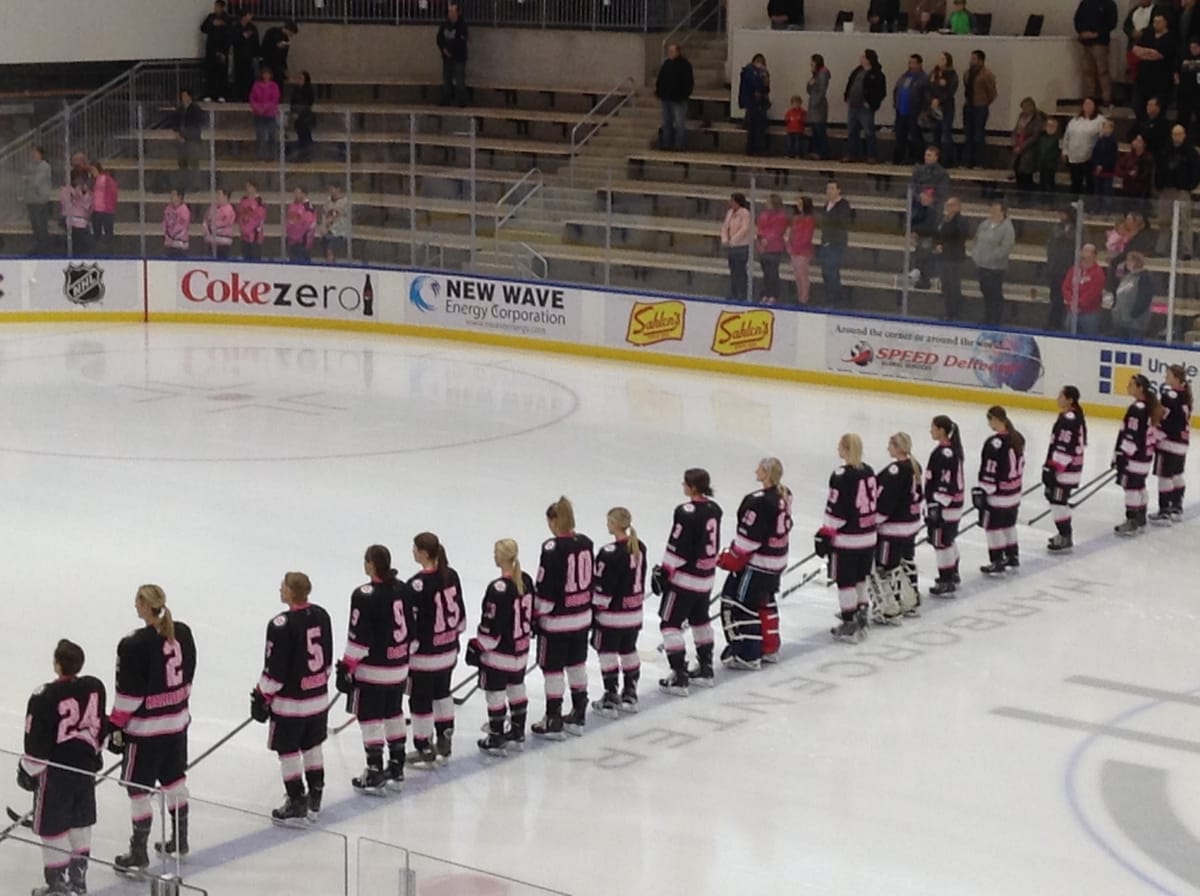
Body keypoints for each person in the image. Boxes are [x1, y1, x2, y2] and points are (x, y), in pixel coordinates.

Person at [107, 585, 197, 873]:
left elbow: (129, 696)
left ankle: (139, 852)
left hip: (146, 733)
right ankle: (180, 840)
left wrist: (114, 726)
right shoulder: (182, 632)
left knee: (138, 791)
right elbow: (188, 677)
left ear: (146, 606)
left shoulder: (133, 644)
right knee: (174, 782)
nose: (135, 606)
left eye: (137, 602)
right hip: (176, 725)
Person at [19, 639, 106, 896]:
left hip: (56, 774)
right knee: (80, 824)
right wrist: (95, 754)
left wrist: (27, 771)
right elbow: (101, 725)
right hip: (84, 769)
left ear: (57, 664)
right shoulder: (94, 687)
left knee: (53, 827)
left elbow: (36, 746)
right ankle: (78, 882)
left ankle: (57, 886)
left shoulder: (44, 696)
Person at [251, 572, 333, 825]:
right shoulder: (321, 614)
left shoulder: (280, 624)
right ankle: (316, 795)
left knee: (288, 752)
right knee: (312, 747)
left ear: (291, 591)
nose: (280, 589)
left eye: (283, 586)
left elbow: (275, 669)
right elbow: (327, 659)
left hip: (290, 706)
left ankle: (296, 799)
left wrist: (262, 695)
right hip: (318, 699)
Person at [336, 545, 412, 794]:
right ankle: (397, 766)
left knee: (370, 719)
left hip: (374, 672)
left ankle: (375, 769)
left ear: (370, 564)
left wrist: (346, 666)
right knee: (394, 714)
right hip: (399, 667)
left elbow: (359, 640)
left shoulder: (364, 595)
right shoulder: (402, 588)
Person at [716, 458, 792, 668]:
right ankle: (770, 648)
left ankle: (748, 654)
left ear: (766, 473)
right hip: (777, 560)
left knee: (740, 603)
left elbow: (749, 540)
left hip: (759, 564)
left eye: (759, 468)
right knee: (765, 602)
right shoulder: (785, 494)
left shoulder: (757, 501)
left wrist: (730, 557)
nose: (755, 470)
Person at [655, 468, 723, 696]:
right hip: (706, 577)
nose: (682, 486)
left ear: (693, 487)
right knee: (700, 621)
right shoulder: (714, 509)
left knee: (669, 624)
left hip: (685, 580)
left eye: (685, 483)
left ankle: (679, 676)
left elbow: (678, 545)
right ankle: (705, 669)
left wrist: (665, 571)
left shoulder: (686, 512)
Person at [532, 497, 594, 739]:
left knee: (554, 670)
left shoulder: (552, 548)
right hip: (581, 617)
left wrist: (536, 614)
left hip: (557, 622)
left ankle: (553, 718)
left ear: (554, 520)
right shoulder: (586, 542)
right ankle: (579, 713)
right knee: (577, 665)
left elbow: (547, 587)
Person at [405, 533, 466, 765]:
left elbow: (413, 628)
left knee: (420, 700)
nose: (412, 551)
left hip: (425, 658)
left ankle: (423, 746)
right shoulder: (451, 575)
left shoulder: (416, 585)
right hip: (448, 651)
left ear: (423, 552)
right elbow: (460, 617)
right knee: (443, 693)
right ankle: (445, 738)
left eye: (414, 548)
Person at [471, 539, 534, 754]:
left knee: (495, 694)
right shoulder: (525, 580)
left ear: (502, 557)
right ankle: (518, 731)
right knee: (517, 688)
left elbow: (492, 626)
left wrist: (478, 646)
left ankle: (497, 735)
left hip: (500, 654)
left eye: (496, 552)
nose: (494, 556)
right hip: (520, 650)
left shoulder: (498, 589)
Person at [816, 434, 877, 641]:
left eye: (839, 446)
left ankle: (849, 622)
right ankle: (862, 615)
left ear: (845, 448)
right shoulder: (868, 470)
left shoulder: (841, 475)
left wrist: (826, 532)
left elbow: (837, 510)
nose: (837, 450)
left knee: (845, 582)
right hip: (869, 536)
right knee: (861, 578)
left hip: (848, 540)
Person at [590, 508, 646, 716]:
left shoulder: (609, 553)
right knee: (629, 650)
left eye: (608, 521)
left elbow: (604, 587)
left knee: (607, 653)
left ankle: (611, 695)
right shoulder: (639, 546)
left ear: (614, 524)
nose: (607, 525)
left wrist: (595, 608)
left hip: (613, 617)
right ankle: (630, 692)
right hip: (634, 613)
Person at [873, 432, 923, 621]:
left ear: (897, 447)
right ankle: (911, 600)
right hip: (911, 524)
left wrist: (874, 520)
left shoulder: (895, 471)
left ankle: (891, 606)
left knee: (887, 566)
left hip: (893, 528)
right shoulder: (914, 465)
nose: (888, 448)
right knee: (907, 561)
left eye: (890, 445)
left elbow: (887, 502)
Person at [973, 406, 1026, 575]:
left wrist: (983, 491)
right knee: (1009, 525)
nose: (989, 424)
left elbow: (990, 470)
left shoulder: (994, 443)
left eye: (989, 420)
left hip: (998, 495)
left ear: (995, 419)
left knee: (993, 527)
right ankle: (1012, 555)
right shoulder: (1017, 437)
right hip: (1014, 493)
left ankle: (997, 560)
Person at [1113, 373, 1162, 535]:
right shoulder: (1148, 405)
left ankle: (1132, 520)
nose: (1128, 387)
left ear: (1140, 388)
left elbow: (1132, 434)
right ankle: (1140, 517)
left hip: (1134, 456)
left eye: (1132, 384)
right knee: (1139, 484)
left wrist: (1122, 455)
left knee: (1132, 487)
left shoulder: (1137, 408)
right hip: (1145, 455)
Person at [1042, 387, 1089, 553]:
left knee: (1058, 502)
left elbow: (1065, 447)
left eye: (1061, 395)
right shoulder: (1071, 416)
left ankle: (1065, 536)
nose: (1058, 398)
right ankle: (1063, 534)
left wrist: (1054, 468)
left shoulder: (1070, 419)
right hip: (1066, 469)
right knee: (1055, 500)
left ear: (1069, 400)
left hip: (1065, 470)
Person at [925, 415, 965, 596]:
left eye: (933, 427)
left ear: (941, 430)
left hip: (946, 506)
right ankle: (952, 573)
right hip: (949, 505)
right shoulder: (947, 450)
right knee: (947, 540)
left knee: (942, 543)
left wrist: (937, 505)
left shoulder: (945, 453)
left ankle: (947, 578)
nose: (930, 431)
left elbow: (945, 483)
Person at [1151, 365, 1192, 522]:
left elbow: (1164, 419)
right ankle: (1176, 505)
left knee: (1165, 476)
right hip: (1182, 442)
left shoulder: (1169, 395)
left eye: (1168, 375)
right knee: (1177, 474)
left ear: (1176, 377)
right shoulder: (1185, 396)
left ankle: (1164, 511)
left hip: (1168, 441)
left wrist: (1155, 433)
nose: (1165, 378)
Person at [1155, 123, 1200, 257]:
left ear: (1184, 135)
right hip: (1166, 190)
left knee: (1185, 221)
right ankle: (1161, 249)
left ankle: (1187, 251)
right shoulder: (1165, 150)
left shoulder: (1191, 152)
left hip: (1182, 191)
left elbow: (1196, 171)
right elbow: (1159, 168)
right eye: (1175, 134)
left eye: (1180, 134)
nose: (1177, 137)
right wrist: (1159, 185)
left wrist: (1189, 186)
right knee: (1164, 221)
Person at [972, 200, 1015, 325]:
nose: (992, 211)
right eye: (992, 209)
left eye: (996, 209)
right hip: (981, 265)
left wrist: (991, 257)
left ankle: (996, 319)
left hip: (996, 268)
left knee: (994, 293)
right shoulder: (985, 224)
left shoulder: (1007, 228)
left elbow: (1006, 247)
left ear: (1002, 211)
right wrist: (976, 255)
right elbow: (977, 240)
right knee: (985, 291)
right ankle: (987, 316)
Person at [844, 49, 886, 163]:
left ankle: (871, 155)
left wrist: (872, 103)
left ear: (868, 59)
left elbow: (881, 91)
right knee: (852, 130)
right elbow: (850, 84)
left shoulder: (877, 74)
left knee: (869, 131)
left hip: (865, 107)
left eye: (863, 57)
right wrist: (847, 96)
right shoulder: (857, 71)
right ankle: (852, 153)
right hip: (853, 105)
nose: (860, 59)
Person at [1133, 13, 1177, 117]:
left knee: (1158, 106)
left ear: (1165, 22)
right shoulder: (1148, 33)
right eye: (1154, 22)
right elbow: (1136, 50)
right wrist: (1150, 52)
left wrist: (1147, 52)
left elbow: (1159, 55)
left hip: (1161, 79)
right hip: (1144, 77)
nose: (1156, 24)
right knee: (1139, 106)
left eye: (1159, 21)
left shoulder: (1170, 37)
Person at [1075, 0, 1119, 106]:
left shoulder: (1109, 4)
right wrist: (1082, 32)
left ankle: (1106, 99)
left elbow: (1112, 23)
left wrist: (1096, 33)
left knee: (1102, 71)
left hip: (1100, 42)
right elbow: (1077, 19)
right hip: (1086, 43)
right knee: (1088, 71)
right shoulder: (1085, 3)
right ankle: (1090, 98)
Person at [934, 196, 968, 320]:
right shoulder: (944, 220)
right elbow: (938, 235)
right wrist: (937, 244)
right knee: (946, 287)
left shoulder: (961, 221)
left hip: (955, 259)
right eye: (947, 205)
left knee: (954, 287)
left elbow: (959, 239)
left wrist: (944, 246)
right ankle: (948, 312)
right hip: (943, 258)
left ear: (958, 207)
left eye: (952, 205)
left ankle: (956, 313)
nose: (949, 208)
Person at [962, 49, 997, 169]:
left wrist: (984, 102)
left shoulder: (987, 74)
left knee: (978, 135)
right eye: (971, 58)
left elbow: (992, 93)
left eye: (974, 59)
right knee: (968, 134)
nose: (971, 61)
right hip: (969, 105)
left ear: (981, 61)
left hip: (980, 107)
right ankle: (967, 161)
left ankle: (979, 162)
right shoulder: (967, 73)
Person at [820, 180, 854, 305]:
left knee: (832, 271)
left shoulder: (843, 205)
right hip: (826, 242)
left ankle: (835, 299)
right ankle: (830, 296)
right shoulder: (827, 204)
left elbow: (842, 223)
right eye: (828, 188)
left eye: (832, 188)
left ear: (838, 190)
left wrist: (830, 240)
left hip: (836, 243)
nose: (829, 191)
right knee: (826, 272)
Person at [1063, 97, 1107, 195]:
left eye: (1090, 104)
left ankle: (1089, 206)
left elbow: (1102, 138)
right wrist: (1065, 151)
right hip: (1074, 156)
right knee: (1075, 183)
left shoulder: (1100, 120)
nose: (1087, 106)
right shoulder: (1075, 120)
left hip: (1089, 158)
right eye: (1086, 104)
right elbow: (1067, 136)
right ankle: (1075, 203)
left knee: (1090, 184)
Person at [1062, 242, 1107, 334]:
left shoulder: (1098, 273)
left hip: (1089, 313)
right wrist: (1071, 302)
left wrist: (1079, 304)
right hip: (1072, 311)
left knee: (1089, 338)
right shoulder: (1074, 269)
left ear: (1094, 255)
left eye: (1087, 251)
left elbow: (1093, 292)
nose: (1084, 253)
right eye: (1083, 251)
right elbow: (1065, 287)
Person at [655, 44, 694, 152]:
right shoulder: (666, 64)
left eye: (672, 51)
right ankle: (666, 145)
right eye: (669, 51)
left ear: (678, 52)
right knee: (666, 122)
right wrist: (659, 92)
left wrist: (684, 95)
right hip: (666, 98)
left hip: (679, 99)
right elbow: (660, 79)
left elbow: (688, 82)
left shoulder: (685, 65)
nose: (670, 53)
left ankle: (679, 146)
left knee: (679, 123)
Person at [1045, 206, 1078, 331]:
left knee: (1065, 297)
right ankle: (1053, 322)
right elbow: (1050, 245)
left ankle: (1061, 323)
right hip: (1055, 267)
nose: (1061, 217)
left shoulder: (1078, 229)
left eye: (1063, 214)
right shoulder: (1056, 228)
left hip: (1068, 268)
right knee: (1055, 297)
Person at [892, 54, 929, 166]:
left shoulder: (923, 78)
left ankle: (917, 158)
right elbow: (897, 89)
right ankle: (899, 158)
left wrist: (924, 110)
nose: (910, 65)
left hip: (914, 111)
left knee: (915, 136)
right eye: (909, 62)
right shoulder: (904, 77)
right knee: (900, 136)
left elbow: (926, 95)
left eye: (913, 63)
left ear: (919, 64)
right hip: (901, 110)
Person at [1110, 251, 1156, 337]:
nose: (1126, 263)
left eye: (1129, 261)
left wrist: (1133, 314)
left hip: (1135, 324)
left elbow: (1144, 298)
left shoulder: (1144, 278)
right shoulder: (1127, 277)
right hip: (1121, 322)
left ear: (1135, 262)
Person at [756, 193, 789, 304]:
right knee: (765, 272)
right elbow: (760, 227)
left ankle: (773, 294)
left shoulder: (781, 216)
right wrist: (761, 239)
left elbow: (778, 231)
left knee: (772, 272)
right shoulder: (764, 215)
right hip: (763, 247)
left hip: (775, 248)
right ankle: (766, 293)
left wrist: (767, 239)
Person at [928, 52, 958, 166]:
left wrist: (940, 100)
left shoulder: (951, 75)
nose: (940, 61)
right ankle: (935, 159)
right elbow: (928, 87)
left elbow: (951, 91)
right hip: (934, 107)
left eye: (943, 59)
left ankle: (947, 160)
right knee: (935, 133)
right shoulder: (934, 73)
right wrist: (931, 100)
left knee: (945, 134)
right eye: (939, 58)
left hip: (946, 107)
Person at [721, 193, 752, 302]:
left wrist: (733, 240)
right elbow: (725, 226)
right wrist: (725, 239)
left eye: (732, 201)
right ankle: (733, 292)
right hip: (731, 246)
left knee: (741, 271)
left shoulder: (745, 213)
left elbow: (745, 229)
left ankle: (742, 293)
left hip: (741, 246)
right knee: (733, 270)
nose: (730, 203)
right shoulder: (730, 213)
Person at [437, 3, 469, 107]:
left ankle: (461, 101)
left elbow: (461, 41)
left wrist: (451, 51)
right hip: (447, 57)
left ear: (458, 13)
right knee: (446, 80)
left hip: (458, 57)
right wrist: (443, 49)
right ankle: (446, 99)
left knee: (460, 80)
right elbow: (439, 38)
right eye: (449, 11)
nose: (451, 14)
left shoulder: (462, 25)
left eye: (453, 11)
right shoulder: (444, 24)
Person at [738, 54, 771, 156]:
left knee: (758, 127)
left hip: (758, 103)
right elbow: (755, 85)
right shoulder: (750, 71)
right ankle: (754, 149)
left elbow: (766, 88)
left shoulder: (761, 73)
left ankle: (755, 148)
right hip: (752, 103)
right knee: (754, 127)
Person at [1011, 97, 1046, 191]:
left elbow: (1035, 136)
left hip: (1029, 150)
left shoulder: (1037, 118)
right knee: (1018, 172)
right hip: (1018, 147)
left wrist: (1022, 147)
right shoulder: (1021, 116)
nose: (1024, 110)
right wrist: (1014, 142)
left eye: (1026, 108)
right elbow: (1015, 130)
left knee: (1026, 175)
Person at [200, 1, 232, 102]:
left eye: (218, 7)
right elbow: (203, 28)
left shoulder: (227, 19)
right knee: (210, 72)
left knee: (221, 73)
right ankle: (209, 94)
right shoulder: (210, 17)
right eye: (215, 7)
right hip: (211, 50)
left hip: (222, 50)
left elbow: (229, 35)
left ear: (222, 8)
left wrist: (224, 51)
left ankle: (221, 94)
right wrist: (212, 24)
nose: (216, 9)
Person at [22, 145, 52, 254]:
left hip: (39, 200)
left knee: (40, 225)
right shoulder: (31, 165)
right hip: (31, 199)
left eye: (35, 152)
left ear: (41, 154)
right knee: (35, 225)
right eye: (32, 152)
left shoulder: (44, 166)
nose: (33, 154)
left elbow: (36, 181)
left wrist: (28, 178)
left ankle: (44, 247)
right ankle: (38, 246)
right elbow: (24, 176)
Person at [173, 88, 204, 192]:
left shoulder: (196, 109)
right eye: (182, 96)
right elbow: (175, 123)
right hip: (181, 141)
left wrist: (186, 137)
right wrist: (177, 133)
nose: (183, 98)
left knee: (194, 163)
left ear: (190, 97)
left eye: (185, 96)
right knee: (182, 164)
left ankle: (196, 186)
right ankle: (184, 185)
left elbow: (196, 126)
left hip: (192, 141)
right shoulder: (179, 109)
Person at [787, 195, 816, 304]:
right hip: (794, 249)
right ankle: (799, 295)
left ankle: (804, 298)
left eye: (800, 204)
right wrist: (790, 245)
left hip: (803, 251)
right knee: (797, 274)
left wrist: (797, 246)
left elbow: (807, 236)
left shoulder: (809, 219)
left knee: (802, 274)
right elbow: (791, 233)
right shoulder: (796, 218)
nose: (798, 206)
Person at [1115, 133, 1156, 206]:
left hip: (1141, 192)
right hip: (1127, 190)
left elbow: (1145, 175)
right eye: (1136, 140)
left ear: (1144, 144)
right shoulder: (1128, 156)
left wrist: (1136, 175)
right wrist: (1128, 174)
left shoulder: (1148, 158)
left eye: (1139, 141)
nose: (1136, 143)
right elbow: (1118, 170)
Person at [250, 67, 281, 161]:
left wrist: (266, 108)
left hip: (270, 114)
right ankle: (260, 156)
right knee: (260, 135)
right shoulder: (256, 85)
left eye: (268, 74)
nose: (266, 76)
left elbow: (275, 99)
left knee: (272, 135)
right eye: (264, 73)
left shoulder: (274, 86)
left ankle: (273, 155)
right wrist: (258, 108)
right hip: (259, 114)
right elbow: (252, 99)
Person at [60, 170, 92, 257]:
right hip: (69, 219)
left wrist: (83, 195)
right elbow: (65, 205)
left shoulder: (85, 192)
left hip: (81, 220)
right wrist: (74, 197)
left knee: (83, 235)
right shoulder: (65, 190)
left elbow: (87, 206)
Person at [232, 9, 260, 102]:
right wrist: (243, 36)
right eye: (248, 15)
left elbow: (256, 42)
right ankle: (239, 96)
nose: (250, 17)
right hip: (239, 56)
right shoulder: (236, 27)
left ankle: (249, 96)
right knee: (239, 76)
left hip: (250, 57)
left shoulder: (252, 27)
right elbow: (233, 41)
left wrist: (257, 55)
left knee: (250, 77)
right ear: (243, 16)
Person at [910, 144, 950, 210]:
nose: (926, 157)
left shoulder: (943, 173)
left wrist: (931, 199)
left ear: (936, 157)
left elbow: (943, 191)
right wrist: (920, 196)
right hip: (918, 201)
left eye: (929, 155)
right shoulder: (918, 170)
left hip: (934, 205)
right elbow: (912, 186)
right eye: (925, 155)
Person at [807, 54, 831, 160]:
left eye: (812, 62)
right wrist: (810, 84)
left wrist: (815, 102)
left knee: (819, 129)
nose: (810, 64)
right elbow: (809, 90)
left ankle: (822, 152)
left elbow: (821, 91)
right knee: (815, 130)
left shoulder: (823, 74)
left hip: (818, 106)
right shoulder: (816, 75)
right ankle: (816, 151)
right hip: (814, 105)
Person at [90, 163, 118, 253]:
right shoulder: (92, 181)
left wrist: (111, 205)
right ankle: (96, 250)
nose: (92, 172)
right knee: (96, 232)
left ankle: (110, 251)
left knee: (108, 232)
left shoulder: (106, 179)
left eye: (94, 170)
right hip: (96, 210)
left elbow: (113, 192)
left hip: (106, 210)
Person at [260, 20, 298, 86]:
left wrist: (285, 71)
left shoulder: (286, 40)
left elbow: (283, 58)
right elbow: (264, 47)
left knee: (278, 85)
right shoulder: (272, 31)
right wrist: (276, 45)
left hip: (278, 67)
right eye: (291, 33)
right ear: (288, 29)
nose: (291, 36)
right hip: (267, 64)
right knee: (267, 85)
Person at [203, 187, 237, 260]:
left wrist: (213, 227)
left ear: (225, 196)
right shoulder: (212, 208)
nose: (217, 197)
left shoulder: (229, 210)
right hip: (211, 241)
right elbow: (206, 220)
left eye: (219, 194)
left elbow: (225, 224)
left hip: (223, 243)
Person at [1092, 118, 1120, 207]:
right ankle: (1097, 208)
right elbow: (1095, 153)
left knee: (1107, 191)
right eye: (1104, 128)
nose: (1106, 130)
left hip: (1108, 171)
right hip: (1098, 171)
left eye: (1108, 128)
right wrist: (1096, 165)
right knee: (1097, 190)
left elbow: (1112, 157)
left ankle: (1106, 209)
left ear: (1112, 129)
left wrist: (1102, 166)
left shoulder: (1113, 142)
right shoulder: (1099, 141)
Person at [289, 71, 316, 163]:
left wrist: (299, 112)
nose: (299, 80)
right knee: (300, 136)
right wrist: (293, 112)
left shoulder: (309, 90)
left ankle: (307, 155)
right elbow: (292, 102)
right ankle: (301, 155)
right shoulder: (295, 89)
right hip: (298, 118)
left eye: (301, 78)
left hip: (306, 117)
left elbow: (308, 103)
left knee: (306, 137)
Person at [286, 187, 316, 263]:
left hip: (302, 241)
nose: (296, 195)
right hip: (292, 240)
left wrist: (297, 236)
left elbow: (307, 224)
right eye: (295, 193)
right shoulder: (293, 205)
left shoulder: (308, 207)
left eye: (298, 193)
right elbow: (289, 220)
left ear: (304, 194)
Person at [319, 184, 349, 262]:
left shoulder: (344, 202)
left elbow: (336, 215)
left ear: (338, 189)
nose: (331, 191)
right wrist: (323, 226)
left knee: (330, 250)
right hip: (328, 231)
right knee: (326, 250)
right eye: (330, 189)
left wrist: (328, 224)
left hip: (339, 232)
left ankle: (331, 266)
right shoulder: (328, 201)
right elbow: (324, 213)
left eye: (333, 189)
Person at [237, 180, 266, 260]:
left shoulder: (259, 201)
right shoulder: (243, 200)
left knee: (255, 257)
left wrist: (250, 228)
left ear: (254, 188)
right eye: (246, 187)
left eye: (249, 186)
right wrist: (242, 228)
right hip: (244, 235)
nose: (247, 189)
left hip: (254, 235)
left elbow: (260, 217)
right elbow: (240, 214)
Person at [1035, 118, 1063, 196]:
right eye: (1049, 125)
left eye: (1053, 126)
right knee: (1042, 182)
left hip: (1051, 164)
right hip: (1042, 163)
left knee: (1049, 183)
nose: (1050, 127)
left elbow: (1057, 152)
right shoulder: (1041, 137)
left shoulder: (1057, 138)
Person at [163, 189, 191, 258]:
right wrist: (167, 235)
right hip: (169, 244)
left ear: (179, 197)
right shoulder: (168, 209)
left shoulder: (184, 210)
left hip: (180, 244)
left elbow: (181, 227)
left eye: (173, 195)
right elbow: (164, 223)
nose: (171, 197)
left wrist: (172, 236)